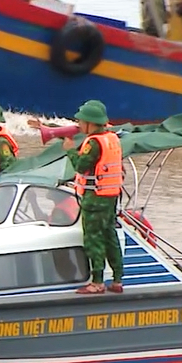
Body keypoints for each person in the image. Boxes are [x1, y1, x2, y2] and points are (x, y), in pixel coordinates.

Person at [62, 100, 125, 294]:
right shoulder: (112, 138)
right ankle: (117, 279)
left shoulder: (94, 143)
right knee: (109, 236)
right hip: (111, 196)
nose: (79, 124)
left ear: (90, 123)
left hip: (95, 197)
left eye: (81, 121)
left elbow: (81, 165)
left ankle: (97, 282)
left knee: (93, 239)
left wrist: (70, 150)